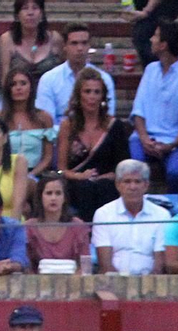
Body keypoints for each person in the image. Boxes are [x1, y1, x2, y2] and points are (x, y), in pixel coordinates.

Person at [128, 23, 178, 192]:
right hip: (143, 138)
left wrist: (170, 145)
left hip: (173, 141)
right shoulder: (150, 70)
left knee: (176, 173)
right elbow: (138, 109)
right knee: (134, 169)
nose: (151, 39)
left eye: (156, 36)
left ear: (163, 45)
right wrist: (144, 138)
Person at [55, 65, 128, 221]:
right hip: (76, 183)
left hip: (107, 183)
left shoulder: (115, 126)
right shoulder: (67, 125)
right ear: (78, 95)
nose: (92, 97)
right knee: (85, 188)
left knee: (104, 188)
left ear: (103, 96)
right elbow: (61, 170)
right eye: (87, 91)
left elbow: (123, 167)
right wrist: (80, 176)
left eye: (97, 92)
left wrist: (105, 177)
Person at [36, 23, 114, 125]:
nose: (80, 48)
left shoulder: (104, 79)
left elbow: (107, 118)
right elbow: (47, 121)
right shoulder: (48, 79)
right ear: (65, 46)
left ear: (89, 46)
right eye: (74, 43)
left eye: (84, 43)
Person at [0, 67, 51, 171]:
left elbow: (47, 158)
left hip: (36, 174)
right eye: (13, 84)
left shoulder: (45, 118)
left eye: (23, 83)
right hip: (6, 172)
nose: (18, 88)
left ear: (31, 88)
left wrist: (31, 176)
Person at [0, 0, 59, 88]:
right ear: (17, 16)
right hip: (17, 94)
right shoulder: (6, 40)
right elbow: (4, 79)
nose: (30, 13)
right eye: (25, 8)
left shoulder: (54, 38)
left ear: (41, 14)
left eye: (35, 8)